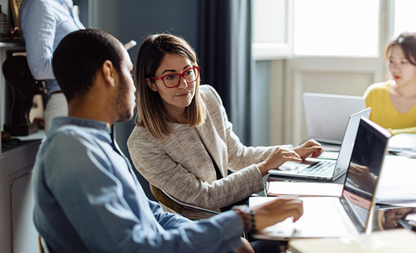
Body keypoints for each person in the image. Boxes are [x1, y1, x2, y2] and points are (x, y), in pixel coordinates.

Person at [33, 28, 304, 253]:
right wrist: (241, 221)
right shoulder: (73, 151)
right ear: (109, 73)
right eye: (128, 72)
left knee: (295, 240)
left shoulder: (95, 142)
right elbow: (136, 248)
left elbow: (154, 214)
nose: (135, 84)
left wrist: (225, 236)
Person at [127, 33, 323, 220]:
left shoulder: (208, 98)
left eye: (188, 72)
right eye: (170, 77)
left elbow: (237, 155)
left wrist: (291, 152)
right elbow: (205, 198)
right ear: (151, 84)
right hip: (203, 227)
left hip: (238, 208)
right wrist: (264, 167)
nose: (184, 84)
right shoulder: (143, 143)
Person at [364, 32, 416, 135]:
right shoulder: (374, 93)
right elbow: (359, 129)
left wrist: (387, 134)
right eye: (391, 61)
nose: (395, 69)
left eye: (403, 62)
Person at [19, 0, 85, 132]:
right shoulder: (40, 3)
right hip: (66, 105)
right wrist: (91, 64)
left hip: (83, 101)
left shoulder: (67, 5)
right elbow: (40, 67)